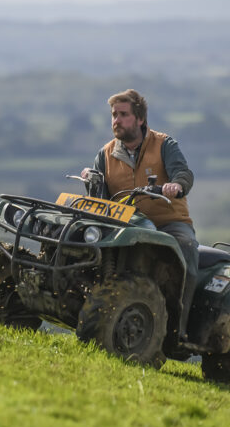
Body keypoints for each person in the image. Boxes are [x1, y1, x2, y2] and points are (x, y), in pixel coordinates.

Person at [82, 88, 199, 343]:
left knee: (187, 248)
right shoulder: (105, 154)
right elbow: (99, 198)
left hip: (168, 223)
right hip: (126, 224)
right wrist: (91, 181)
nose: (116, 120)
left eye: (123, 115)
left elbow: (184, 173)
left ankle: (180, 327)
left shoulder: (164, 144)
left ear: (140, 119)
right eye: (114, 115)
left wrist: (177, 185)